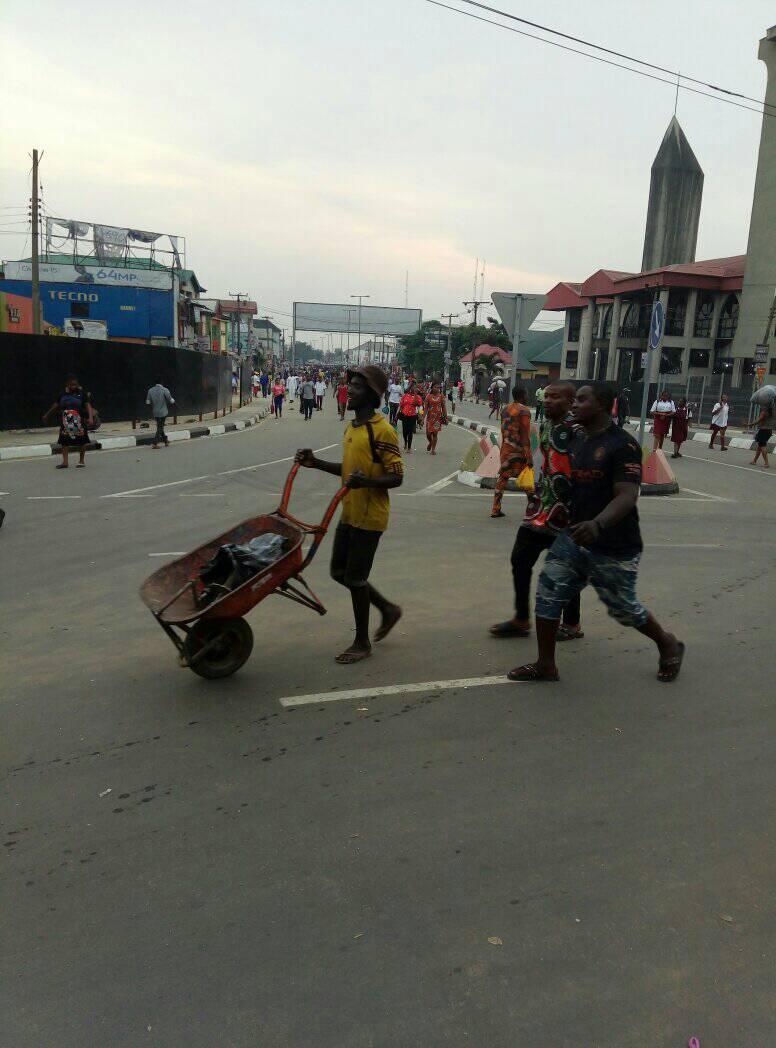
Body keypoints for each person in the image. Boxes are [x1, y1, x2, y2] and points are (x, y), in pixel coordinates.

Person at [507, 383, 685, 684]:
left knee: (624, 609)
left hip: (613, 543)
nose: (574, 405)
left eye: (581, 400)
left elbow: (627, 495)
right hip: (574, 536)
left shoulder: (622, 445)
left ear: (602, 404)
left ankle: (667, 642)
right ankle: (546, 665)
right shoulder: (577, 441)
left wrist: (598, 524)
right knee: (548, 590)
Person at [295, 365, 403, 665]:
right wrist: (315, 463)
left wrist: (366, 481)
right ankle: (388, 609)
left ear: (370, 393)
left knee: (355, 578)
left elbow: (397, 477)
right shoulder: (353, 427)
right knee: (339, 572)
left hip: (370, 517)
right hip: (349, 511)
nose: (348, 390)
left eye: (355, 386)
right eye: (350, 385)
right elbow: (348, 471)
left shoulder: (382, 430)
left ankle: (362, 642)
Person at [490, 382, 583, 643]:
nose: (549, 400)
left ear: (570, 400)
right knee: (520, 559)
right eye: (548, 395)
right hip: (542, 506)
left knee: (567, 568)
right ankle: (521, 618)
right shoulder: (547, 424)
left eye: (556, 396)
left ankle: (572, 623)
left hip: (567, 511)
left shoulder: (577, 430)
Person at [491, 387, 532, 519]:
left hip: (506, 449)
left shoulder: (505, 409)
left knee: (502, 478)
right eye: (526, 393)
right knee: (527, 481)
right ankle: (533, 510)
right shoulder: (524, 411)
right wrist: (529, 455)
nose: (527, 396)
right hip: (519, 450)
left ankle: (495, 509)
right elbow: (525, 435)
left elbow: (504, 430)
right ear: (522, 395)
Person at [43, 374, 94, 469]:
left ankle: (81, 461)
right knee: (64, 441)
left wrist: (90, 418)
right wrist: (47, 415)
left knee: (82, 440)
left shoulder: (82, 394)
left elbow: (88, 406)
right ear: (67, 384)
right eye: (71, 385)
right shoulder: (62, 394)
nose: (73, 387)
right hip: (66, 419)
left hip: (79, 419)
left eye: (75, 384)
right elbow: (55, 405)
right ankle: (65, 462)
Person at [146, 381, 175, 449]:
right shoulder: (165, 390)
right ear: (162, 383)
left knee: (160, 426)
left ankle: (165, 441)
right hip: (163, 412)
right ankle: (155, 443)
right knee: (160, 427)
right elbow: (171, 400)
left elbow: (147, 402)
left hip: (155, 412)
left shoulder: (150, 390)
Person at [398, 383, 423, 453]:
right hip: (404, 415)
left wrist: (421, 415)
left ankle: (409, 447)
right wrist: (398, 414)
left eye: (415, 388)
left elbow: (420, 406)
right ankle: (405, 442)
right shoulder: (405, 396)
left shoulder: (418, 397)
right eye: (412, 388)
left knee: (410, 431)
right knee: (404, 431)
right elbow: (401, 405)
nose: (413, 389)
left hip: (413, 415)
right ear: (410, 389)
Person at [424, 382, 448, 455]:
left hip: (438, 418)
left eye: (439, 388)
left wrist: (446, 417)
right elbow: (425, 409)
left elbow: (443, 407)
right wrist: (422, 418)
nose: (438, 389)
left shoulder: (441, 396)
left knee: (435, 434)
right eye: (436, 387)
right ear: (432, 388)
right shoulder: (428, 396)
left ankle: (433, 450)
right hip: (429, 418)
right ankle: (430, 442)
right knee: (428, 434)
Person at [750, 398, 775, 468]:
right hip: (769, 430)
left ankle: (766, 463)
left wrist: (749, 425)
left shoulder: (764, 411)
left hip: (763, 430)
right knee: (760, 446)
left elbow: (758, 420)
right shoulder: (773, 411)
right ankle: (754, 460)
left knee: (763, 446)